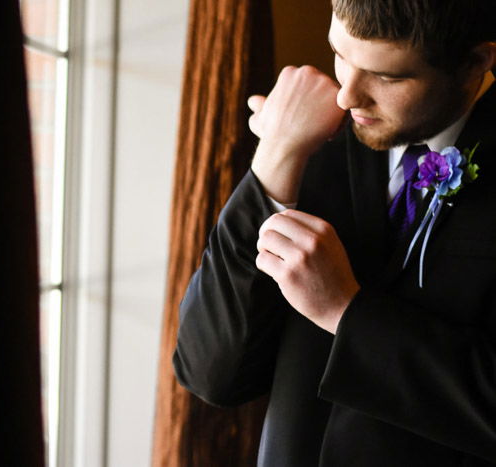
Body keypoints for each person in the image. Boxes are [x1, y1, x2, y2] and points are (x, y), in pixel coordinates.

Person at [173, 0, 496, 465]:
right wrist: (274, 159)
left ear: (475, 63)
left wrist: (346, 311)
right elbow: (211, 373)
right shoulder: (312, 139)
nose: (347, 96)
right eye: (339, 54)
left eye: (388, 77)